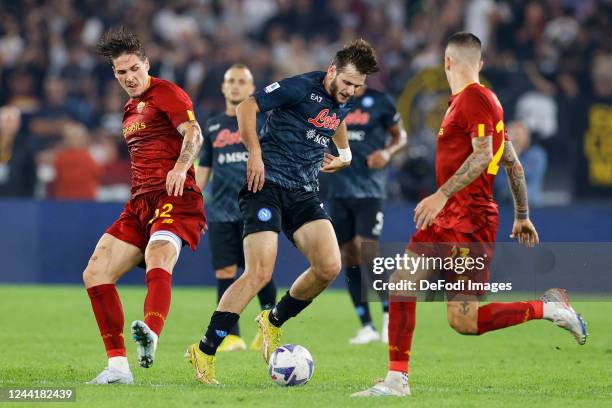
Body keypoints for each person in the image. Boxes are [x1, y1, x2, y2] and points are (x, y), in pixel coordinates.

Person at [353, 32, 587, 397]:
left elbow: (483, 155)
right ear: (479, 63)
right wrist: (522, 214)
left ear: (446, 62)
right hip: (446, 217)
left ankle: (548, 308)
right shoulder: (469, 102)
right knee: (401, 283)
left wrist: (440, 195)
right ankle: (397, 380)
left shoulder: (476, 98)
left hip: (469, 220)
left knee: (464, 321)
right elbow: (510, 160)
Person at [187, 39, 380, 384]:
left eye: (358, 86)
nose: (351, 91)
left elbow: (336, 119)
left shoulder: (340, 98)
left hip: (304, 192)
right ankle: (204, 350)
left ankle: (272, 320)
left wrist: (346, 153)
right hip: (266, 187)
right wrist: (256, 154)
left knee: (329, 266)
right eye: (347, 82)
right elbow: (248, 107)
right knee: (259, 273)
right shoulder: (300, 87)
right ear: (332, 71)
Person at [83, 27, 206, 385]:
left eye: (134, 69)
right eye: (121, 73)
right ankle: (118, 368)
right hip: (139, 202)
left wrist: (181, 166)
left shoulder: (166, 92)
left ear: (146, 64)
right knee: (95, 273)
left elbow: (194, 132)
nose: (129, 77)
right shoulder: (128, 109)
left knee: (159, 252)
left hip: (175, 196)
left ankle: (150, 333)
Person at [196, 64, 277, 352]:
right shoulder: (214, 125)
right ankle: (232, 336)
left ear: (251, 88)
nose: (235, 86)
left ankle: (269, 325)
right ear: (222, 87)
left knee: (260, 271)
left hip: (255, 205)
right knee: (225, 271)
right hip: (220, 209)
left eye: (241, 81)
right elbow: (204, 169)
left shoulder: (263, 122)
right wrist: (193, 201)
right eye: (230, 81)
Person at [326, 85, 407, 344]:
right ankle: (366, 325)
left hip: (370, 190)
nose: (353, 83)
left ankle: (387, 314)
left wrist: (387, 152)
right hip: (338, 189)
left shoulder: (381, 101)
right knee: (347, 254)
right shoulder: (330, 102)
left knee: (366, 249)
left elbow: (400, 136)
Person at [494, 121, 547, 206]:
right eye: (512, 134)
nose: (515, 138)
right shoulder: (497, 156)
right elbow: (498, 182)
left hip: (530, 205)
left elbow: (525, 178)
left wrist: (515, 153)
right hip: (504, 205)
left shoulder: (536, 154)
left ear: (527, 137)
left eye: (518, 134)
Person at [0, 106, 36, 197]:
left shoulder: (26, 147)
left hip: (17, 199)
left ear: (18, 124)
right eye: (5, 121)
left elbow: (31, 178)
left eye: (11, 121)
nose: (8, 125)